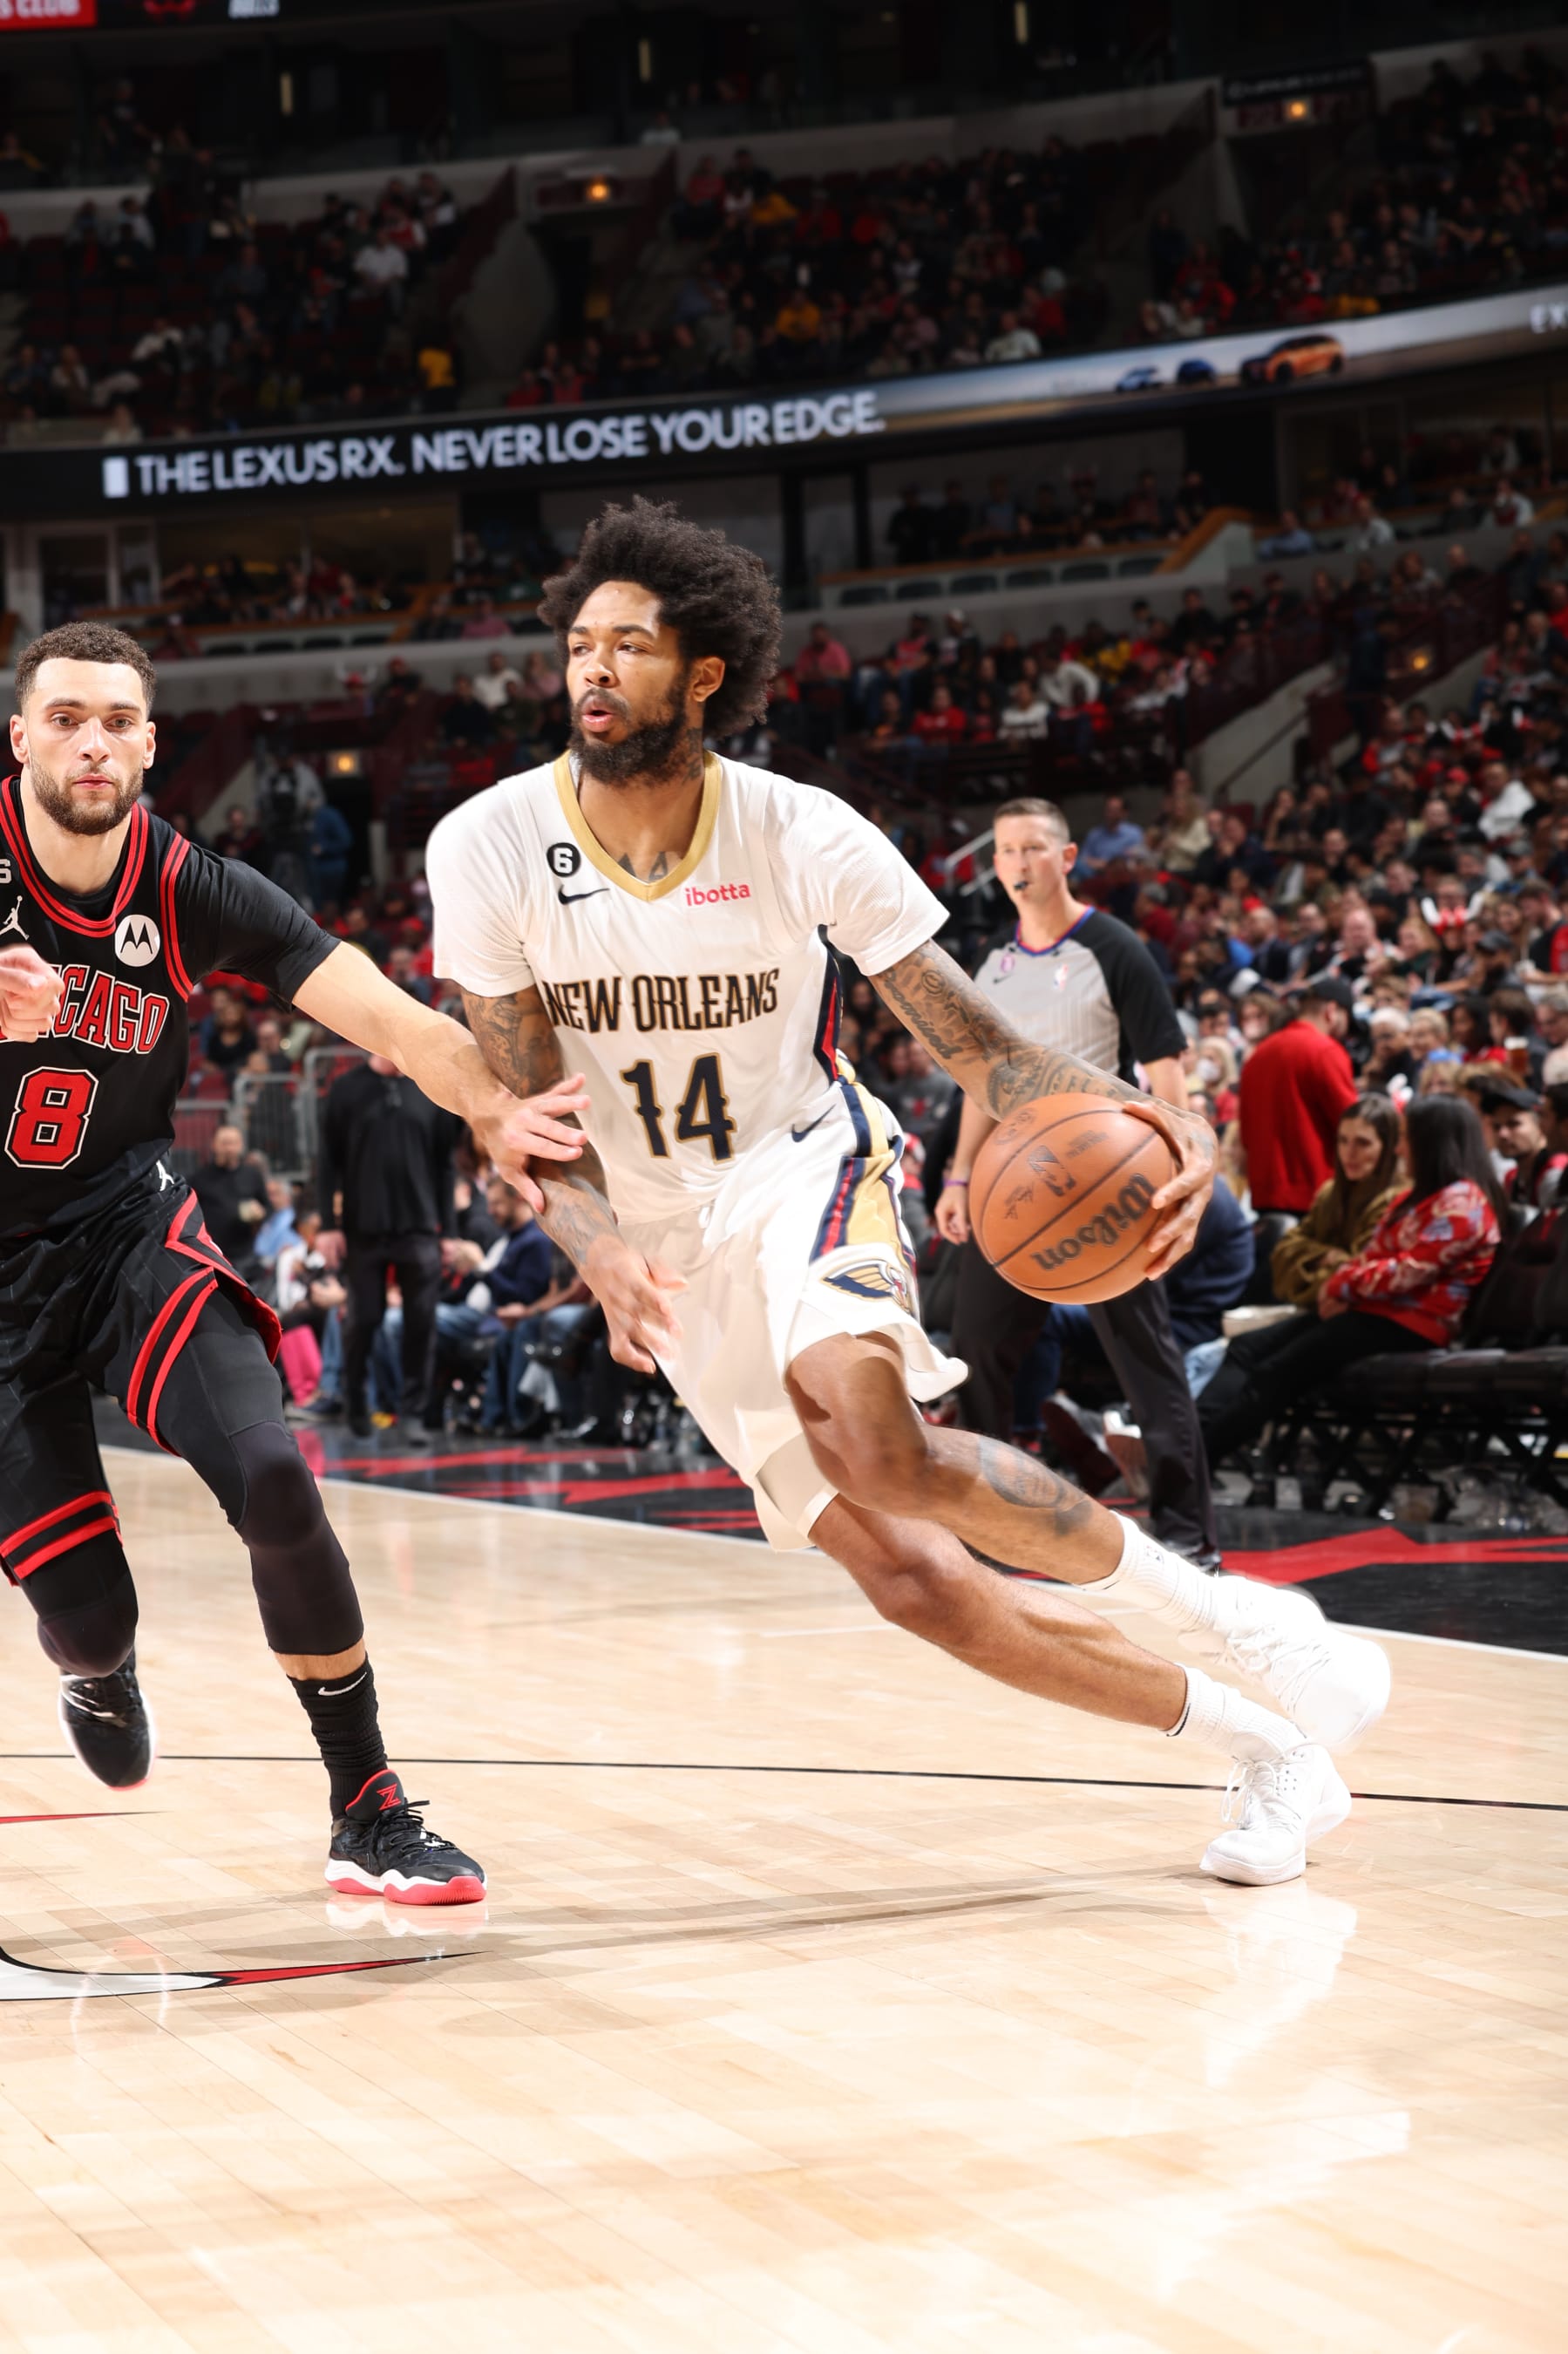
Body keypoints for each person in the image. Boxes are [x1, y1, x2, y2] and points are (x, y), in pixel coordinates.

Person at [427, 498, 1393, 1888]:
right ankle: (1265, 1746)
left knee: (878, 1438)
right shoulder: (489, 845)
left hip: (800, 1163)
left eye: (627, 646)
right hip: (656, 1234)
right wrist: (590, 1248)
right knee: (916, 1585)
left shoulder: (796, 827)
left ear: (702, 676)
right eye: (578, 644)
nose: (591, 669)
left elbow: (981, 1049)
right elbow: (523, 1115)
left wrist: (1152, 1122)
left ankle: (1248, 1631)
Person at [0, 623, 590, 1902]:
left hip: (124, 1229)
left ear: (152, 744)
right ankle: (94, 1668)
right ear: (22, 738)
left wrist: (486, 1105)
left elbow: (372, 1006)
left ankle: (367, 1806)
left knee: (274, 1473)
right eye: (65, 718)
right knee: (91, 1617)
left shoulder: (187, 883)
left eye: (116, 719)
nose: (92, 740)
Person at [936, 799, 1220, 1566]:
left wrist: (1182, 1170)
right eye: (1003, 850)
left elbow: (1165, 1073)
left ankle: (1189, 1540)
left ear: (1065, 859)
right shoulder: (990, 965)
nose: (1016, 862)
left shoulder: (1113, 947)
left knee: (1145, 1360)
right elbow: (978, 1081)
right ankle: (992, 1522)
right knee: (975, 1350)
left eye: (1032, 847)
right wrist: (960, 1177)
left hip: (1108, 1183)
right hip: (1016, 1185)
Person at [1200, 1095, 1504, 1468]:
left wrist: (1338, 1285)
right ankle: (1186, 1446)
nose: (1401, 1147)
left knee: (1274, 1373)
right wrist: (1343, 1283)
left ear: (1433, 1141)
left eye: (1407, 1136)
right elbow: (1370, 1259)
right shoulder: (1415, 1199)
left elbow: (1404, 1273)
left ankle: (1190, 1468)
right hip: (1372, 1313)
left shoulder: (1464, 1204)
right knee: (1247, 1347)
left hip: (1410, 1325)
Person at [317, 1055, 464, 1445]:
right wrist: (328, 1227)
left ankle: (414, 1412)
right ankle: (355, 1402)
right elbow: (327, 1163)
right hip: (363, 1228)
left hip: (419, 1228)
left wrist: (448, 1231)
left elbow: (445, 1165)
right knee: (364, 1320)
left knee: (421, 1322)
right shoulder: (347, 1088)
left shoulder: (430, 1086)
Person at [1268, 1095, 1405, 1310]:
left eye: (1363, 1143)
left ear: (1388, 1148)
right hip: (1311, 1309)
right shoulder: (1329, 1193)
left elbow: (1357, 1274)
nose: (1349, 1153)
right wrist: (1330, 1256)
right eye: (1343, 1141)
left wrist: (1308, 1264)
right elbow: (1283, 1253)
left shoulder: (1397, 1200)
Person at [1237, 978, 1360, 1214]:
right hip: (1315, 1195)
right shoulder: (1325, 1050)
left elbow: (1246, 1133)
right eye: (1347, 1021)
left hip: (1264, 1195)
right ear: (1332, 1011)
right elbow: (1351, 1123)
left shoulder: (1259, 1054)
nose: (1345, 1032)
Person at [191, 1121, 268, 1272]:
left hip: (246, 1255)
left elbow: (267, 1207)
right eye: (224, 1143)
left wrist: (261, 1213)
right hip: (212, 1255)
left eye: (233, 1143)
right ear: (214, 1145)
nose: (229, 1148)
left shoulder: (252, 1175)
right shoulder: (199, 1178)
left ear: (241, 1145)